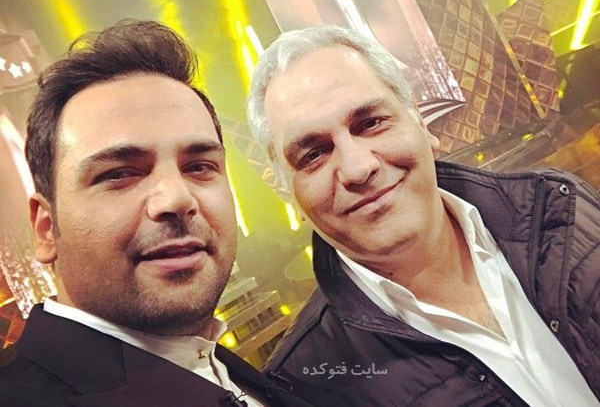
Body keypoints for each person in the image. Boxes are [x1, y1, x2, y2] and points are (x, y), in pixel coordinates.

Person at [246, 24, 600, 406]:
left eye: (371, 123)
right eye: (313, 154)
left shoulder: (561, 208)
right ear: (287, 191)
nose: (358, 167)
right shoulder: (306, 388)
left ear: (420, 120)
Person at [0, 20, 311, 407]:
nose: (177, 198)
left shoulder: (212, 361)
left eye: (199, 166)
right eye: (119, 174)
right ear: (47, 229)